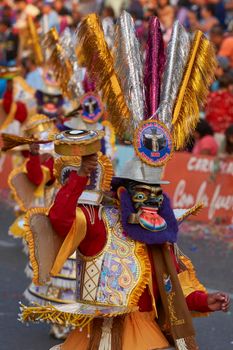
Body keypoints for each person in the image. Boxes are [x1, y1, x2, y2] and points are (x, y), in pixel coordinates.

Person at [20, 14, 230, 350]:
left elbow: (179, 286)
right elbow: (59, 220)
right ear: (122, 192)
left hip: (152, 334)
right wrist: (82, 177)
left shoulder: (162, 235)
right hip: (104, 337)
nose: (150, 203)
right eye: (142, 194)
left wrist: (205, 300)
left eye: (156, 195)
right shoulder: (99, 222)